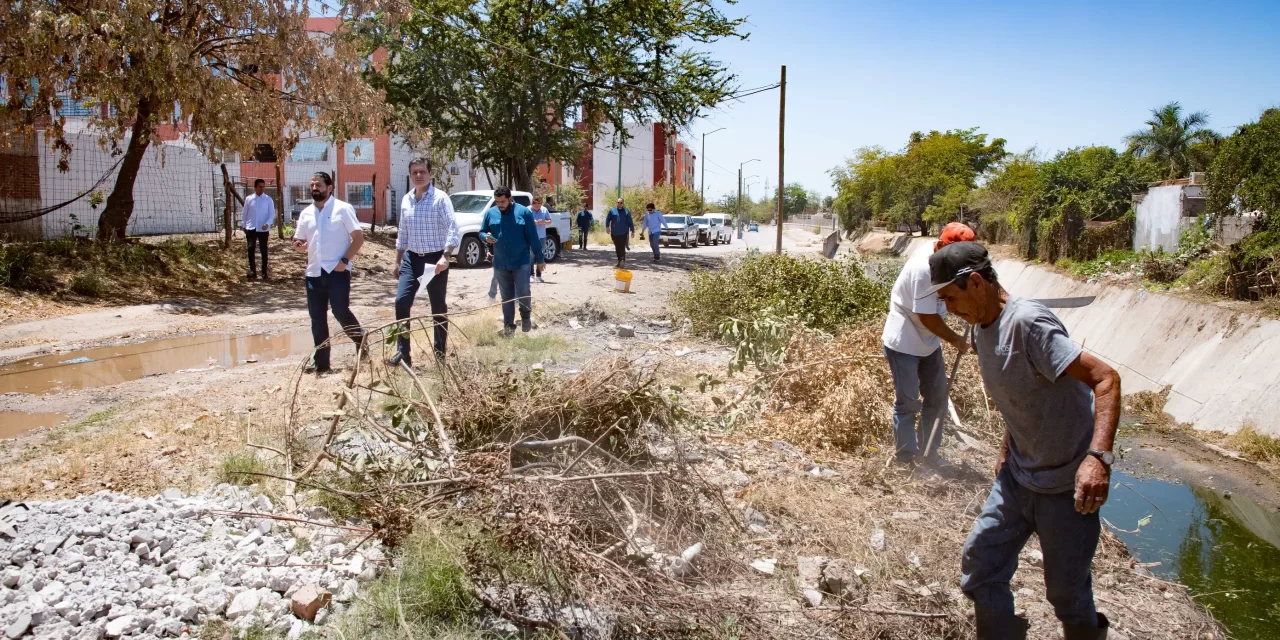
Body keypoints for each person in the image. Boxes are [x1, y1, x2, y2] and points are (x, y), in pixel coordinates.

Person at [920, 241, 1119, 640]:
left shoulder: (1029, 324)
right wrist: (1007, 449)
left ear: (975, 282)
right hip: (1018, 478)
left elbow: (1105, 379)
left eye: (949, 298)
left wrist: (1097, 458)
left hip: (1066, 486)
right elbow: (1022, 395)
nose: (947, 310)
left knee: (1066, 594)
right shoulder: (981, 324)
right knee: (982, 564)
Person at [881, 222, 974, 464]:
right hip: (905, 341)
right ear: (941, 246)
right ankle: (905, 457)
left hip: (930, 343)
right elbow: (927, 317)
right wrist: (955, 339)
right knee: (909, 403)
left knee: (937, 398)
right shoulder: (924, 269)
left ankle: (929, 454)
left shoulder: (955, 263)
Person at [292, 172, 366, 375]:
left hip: (337, 271)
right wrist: (299, 245)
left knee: (340, 311)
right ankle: (322, 364)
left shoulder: (343, 209)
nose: (314, 188)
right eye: (312, 184)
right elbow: (299, 240)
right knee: (317, 318)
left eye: (319, 185)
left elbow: (358, 239)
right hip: (314, 272)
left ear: (330, 187)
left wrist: (344, 262)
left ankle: (361, 339)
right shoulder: (306, 213)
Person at [390, 157, 459, 367]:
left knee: (437, 307)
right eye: (414, 172)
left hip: (435, 259)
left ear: (430, 174)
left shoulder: (440, 198)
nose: (418, 175)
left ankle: (440, 354)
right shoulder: (406, 200)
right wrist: (397, 261)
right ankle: (403, 353)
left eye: (422, 171)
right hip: (412, 259)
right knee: (401, 302)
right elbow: (402, 232)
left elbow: (452, 229)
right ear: (410, 175)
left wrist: (445, 257)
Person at [480, 187, 546, 335]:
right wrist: (485, 237)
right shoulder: (490, 213)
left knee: (523, 291)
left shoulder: (524, 213)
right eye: (497, 202)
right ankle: (509, 327)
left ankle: (526, 317)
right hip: (500, 263)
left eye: (503, 201)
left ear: (510, 199)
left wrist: (540, 259)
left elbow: (533, 238)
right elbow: (482, 231)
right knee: (506, 296)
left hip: (521, 261)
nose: (500, 205)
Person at [242, 178, 275, 280]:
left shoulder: (268, 199)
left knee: (263, 250)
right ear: (255, 187)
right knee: (251, 248)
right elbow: (245, 213)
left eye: (263, 186)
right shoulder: (249, 199)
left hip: (263, 229)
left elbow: (272, 214)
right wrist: (244, 225)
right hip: (251, 227)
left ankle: (264, 272)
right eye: (260, 187)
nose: (262, 189)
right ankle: (253, 271)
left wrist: (268, 223)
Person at [604, 197, 634, 268]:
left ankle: (622, 260)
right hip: (614, 233)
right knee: (617, 247)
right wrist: (607, 227)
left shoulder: (626, 212)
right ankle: (619, 261)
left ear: (623, 203)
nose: (619, 204)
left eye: (621, 203)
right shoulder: (612, 211)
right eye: (618, 202)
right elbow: (608, 219)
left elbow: (630, 222)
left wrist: (632, 230)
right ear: (616, 203)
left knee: (622, 247)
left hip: (624, 233)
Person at [529, 196, 553, 283]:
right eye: (536, 206)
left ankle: (539, 275)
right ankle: (530, 275)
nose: (538, 207)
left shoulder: (544, 210)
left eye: (539, 205)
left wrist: (542, 222)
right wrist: (533, 222)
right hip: (531, 236)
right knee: (530, 256)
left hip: (542, 236)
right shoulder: (527, 210)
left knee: (540, 255)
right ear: (532, 204)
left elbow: (549, 221)